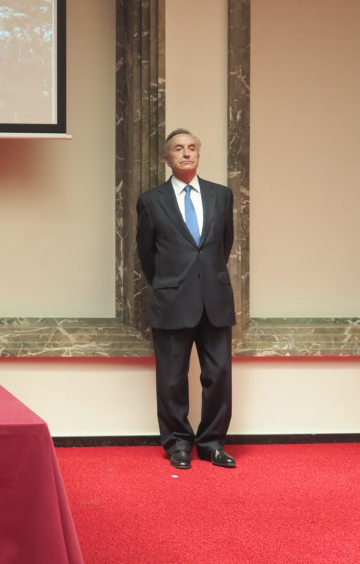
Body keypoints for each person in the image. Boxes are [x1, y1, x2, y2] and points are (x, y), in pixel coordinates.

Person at [136, 129, 237, 469]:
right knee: (171, 378)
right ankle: (178, 443)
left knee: (219, 374)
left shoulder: (221, 196)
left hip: (215, 299)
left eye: (192, 148)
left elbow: (224, 246)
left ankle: (212, 443)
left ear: (198, 154)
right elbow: (147, 254)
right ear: (167, 159)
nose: (186, 153)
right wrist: (170, 284)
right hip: (172, 299)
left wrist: (204, 278)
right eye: (178, 149)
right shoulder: (152, 201)